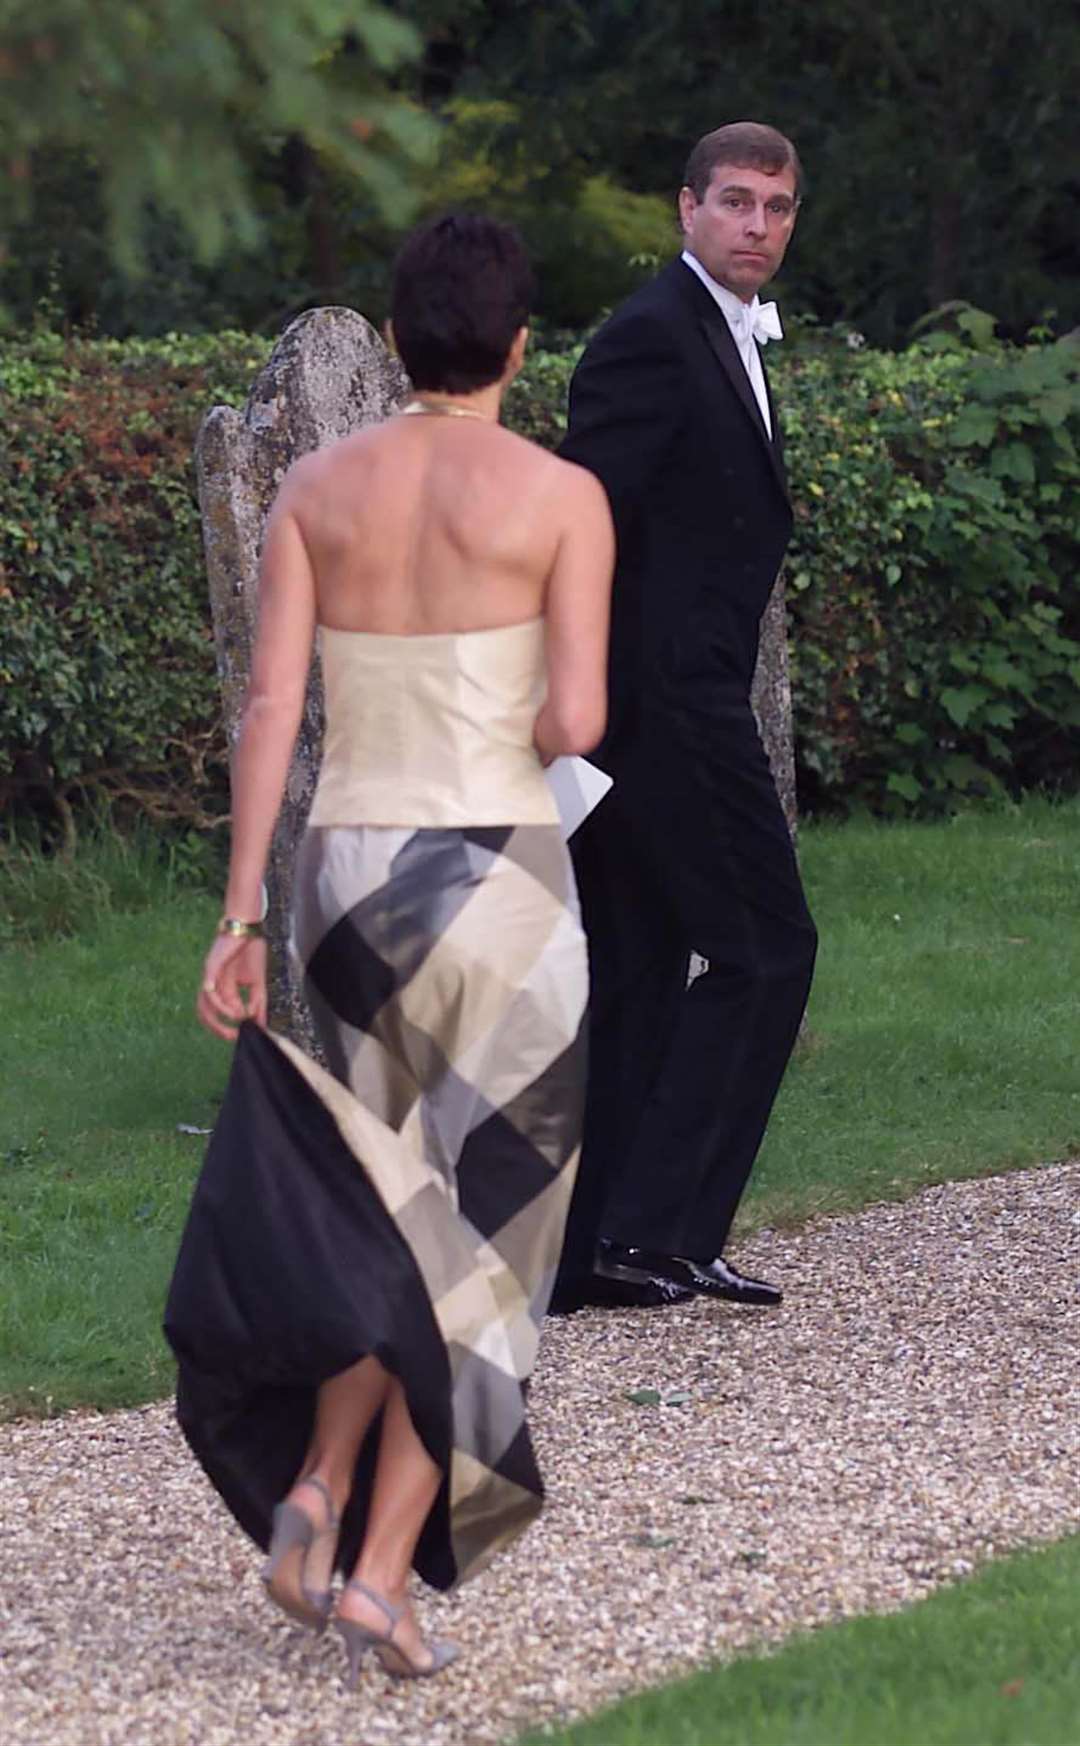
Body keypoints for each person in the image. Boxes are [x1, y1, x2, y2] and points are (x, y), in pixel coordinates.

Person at [164, 213, 613, 1682]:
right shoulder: (562, 494)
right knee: (485, 1250)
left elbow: (272, 710)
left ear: (402, 341)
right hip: (497, 879)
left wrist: (239, 912)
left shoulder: (316, 483)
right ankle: (374, 1575)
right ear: (521, 345)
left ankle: (309, 1489)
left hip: (345, 881)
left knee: (381, 1218)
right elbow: (579, 726)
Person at [550, 122, 817, 1315]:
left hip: (665, 703)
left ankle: (595, 1247)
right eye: (738, 203)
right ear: (687, 210)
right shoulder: (649, 339)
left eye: (778, 206)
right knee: (769, 946)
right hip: (662, 711)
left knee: (646, 968)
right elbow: (577, 527)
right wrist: (583, 708)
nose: (758, 225)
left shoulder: (723, 334)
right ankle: (662, 1230)